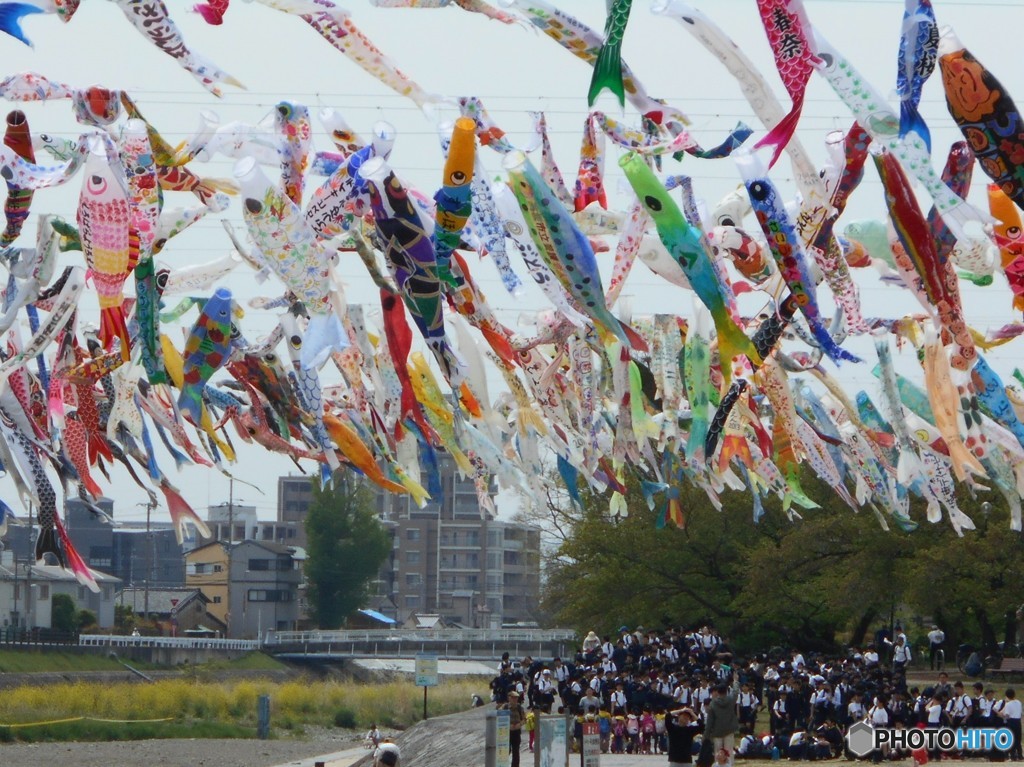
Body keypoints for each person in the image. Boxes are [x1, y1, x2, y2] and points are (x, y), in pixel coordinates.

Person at [704, 679, 740, 767]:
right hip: (729, 730)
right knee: (729, 752)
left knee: (718, 753)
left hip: (717, 731)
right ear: (727, 691)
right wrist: (735, 681)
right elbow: (735, 692)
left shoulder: (713, 703)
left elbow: (709, 721)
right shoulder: (731, 700)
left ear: (717, 692)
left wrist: (706, 735)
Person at [999, 688, 1022, 761]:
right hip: (1018, 722)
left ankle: (1013, 756)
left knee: (1011, 739)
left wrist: (1000, 714)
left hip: (1011, 722)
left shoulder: (1008, 704)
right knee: (1018, 739)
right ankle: (1020, 755)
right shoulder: (1019, 702)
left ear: (1007, 696)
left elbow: (1007, 715)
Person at [504, 690, 526, 767]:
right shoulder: (505, 707)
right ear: (509, 698)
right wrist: (507, 725)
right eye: (513, 698)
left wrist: (519, 724)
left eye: (516, 698)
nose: (515, 699)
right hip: (506, 732)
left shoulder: (519, 707)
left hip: (516, 732)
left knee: (516, 752)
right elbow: (499, 719)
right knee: (506, 750)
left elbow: (524, 719)